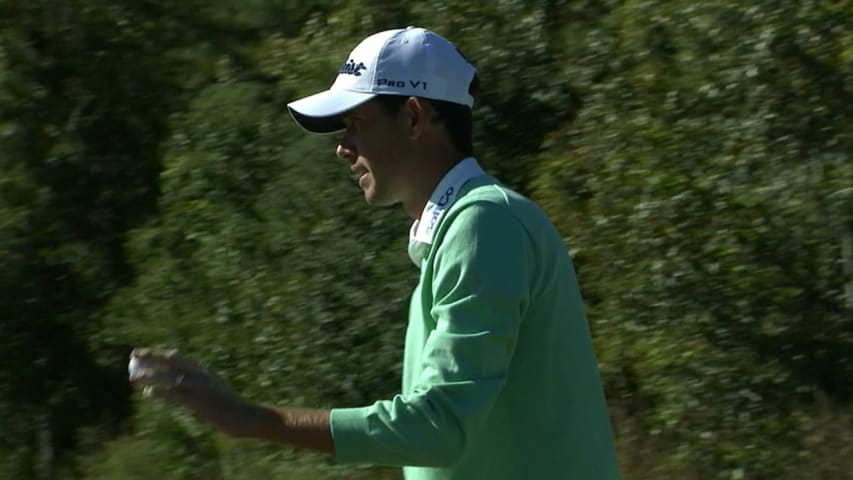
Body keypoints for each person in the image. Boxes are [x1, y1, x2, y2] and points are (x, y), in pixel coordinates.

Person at [131, 26, 621, 480]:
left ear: (413, 117)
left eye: (355, 124)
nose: (342, 148)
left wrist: (252, 419)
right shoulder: (468, 226)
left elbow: (438, 429)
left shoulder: (483, 225)